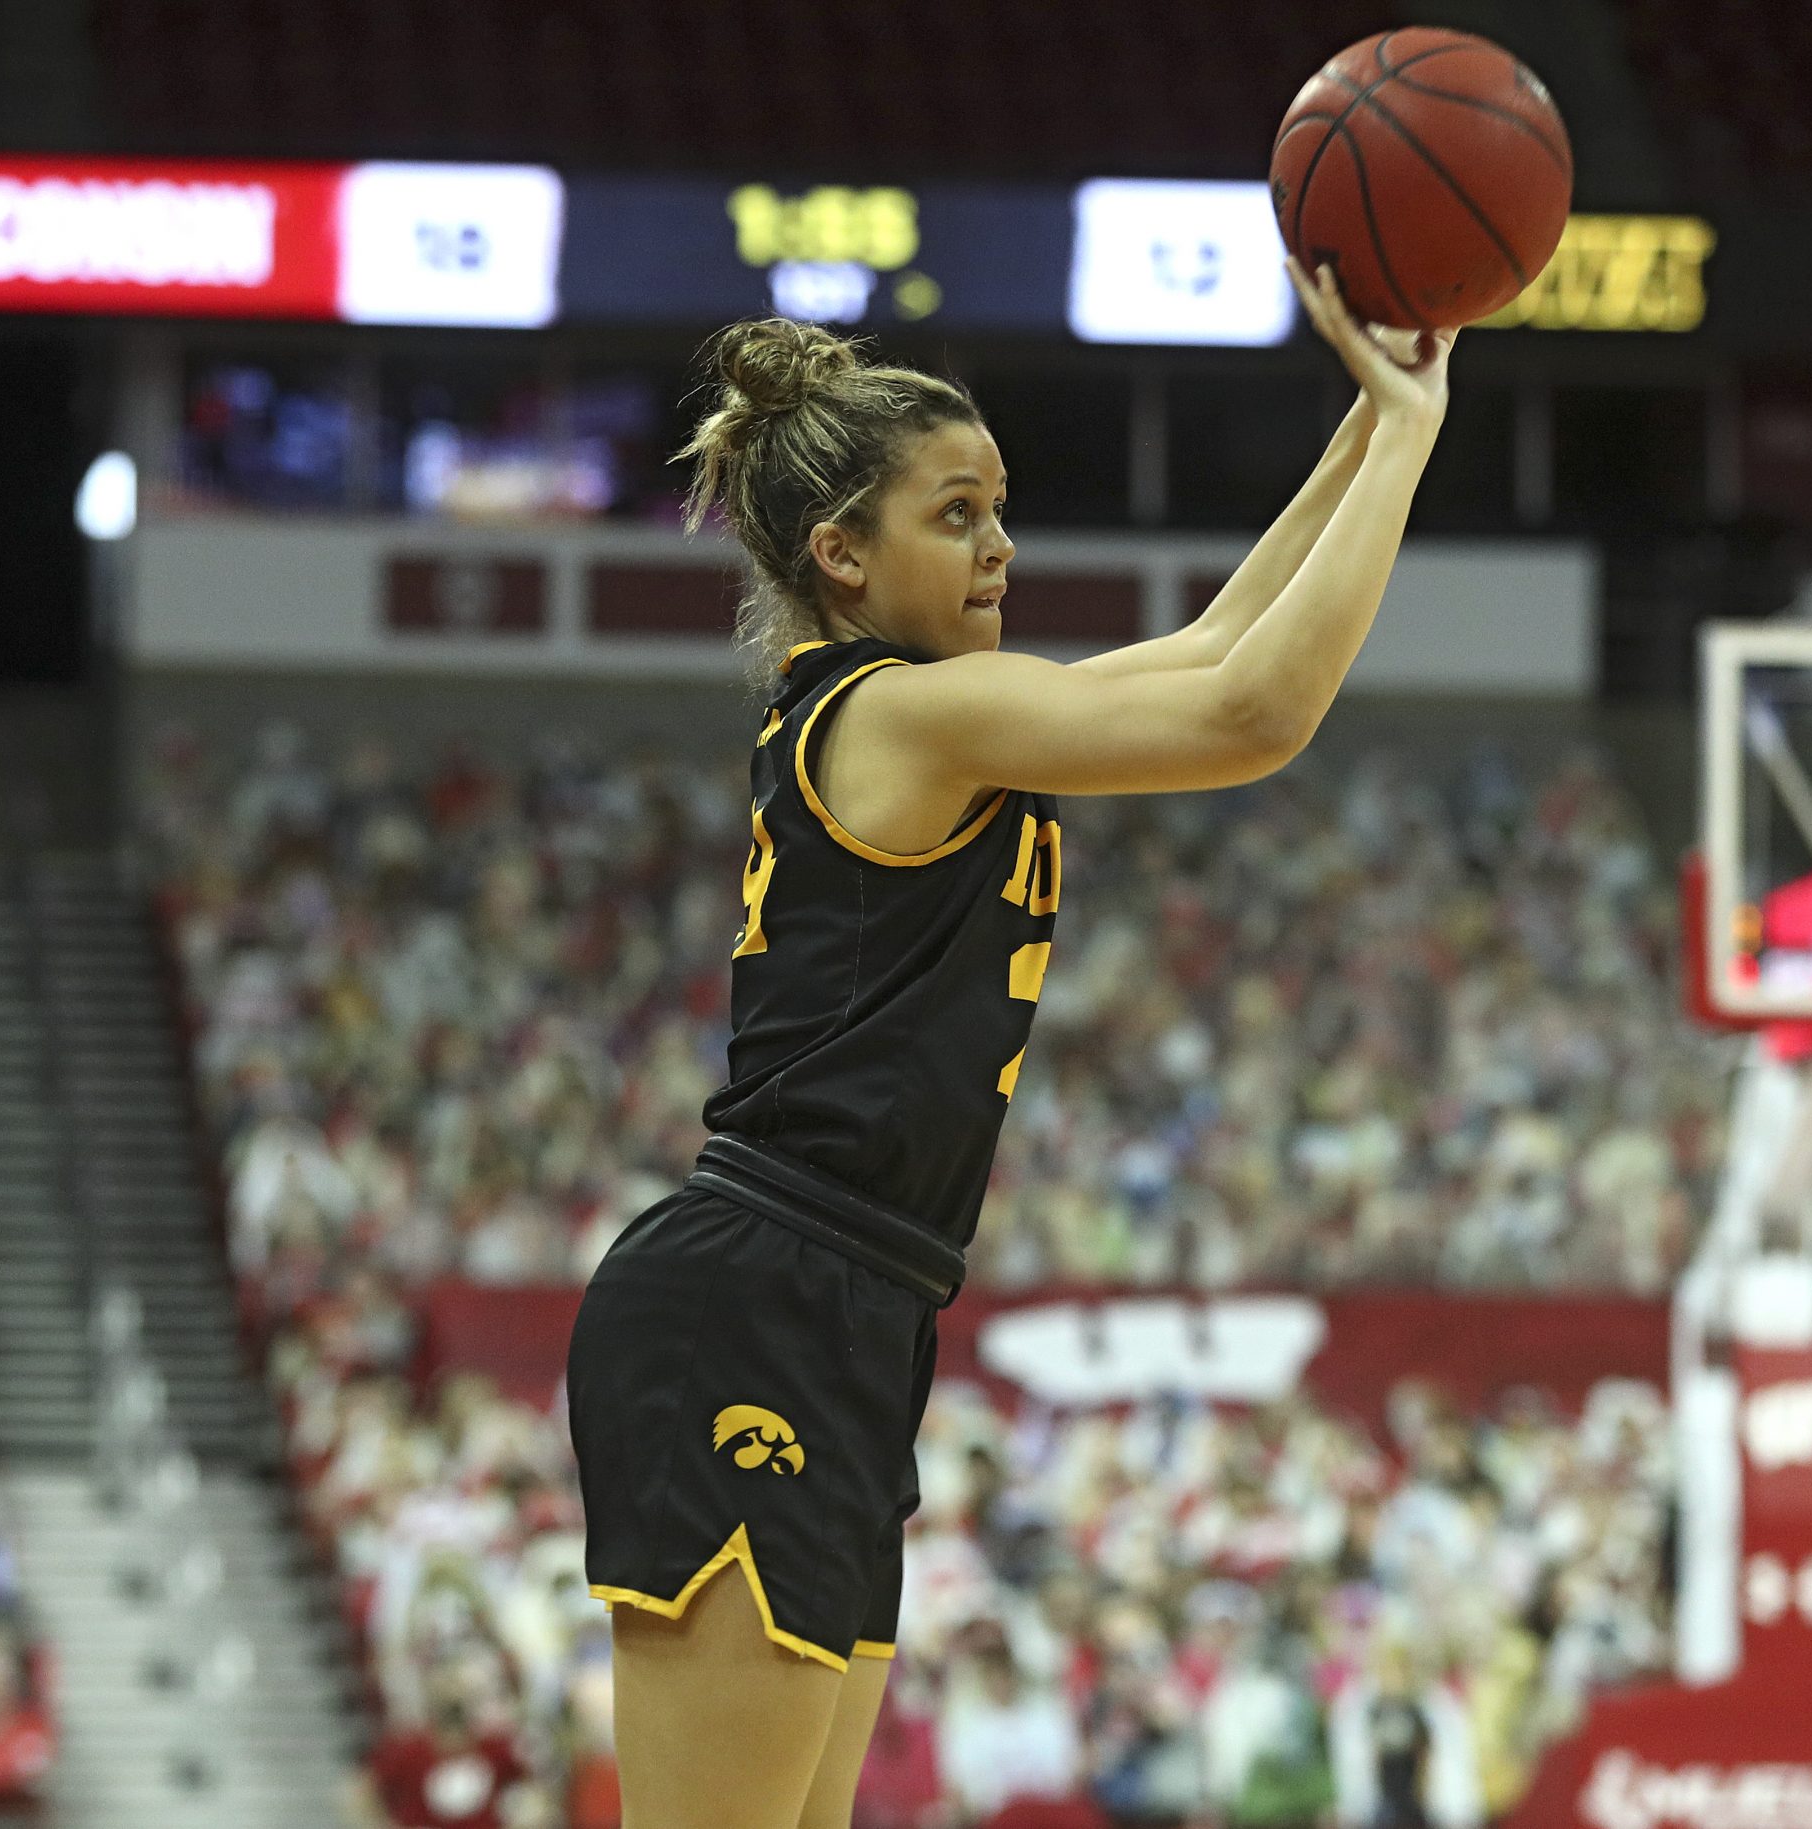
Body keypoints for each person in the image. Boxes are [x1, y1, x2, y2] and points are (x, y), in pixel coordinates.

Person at [564, 260, 1453, 1829]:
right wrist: (1405, 438)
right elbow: (1254, 714)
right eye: (955, 514)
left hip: (854, 1304)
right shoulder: (904, 715)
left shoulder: (951, 718)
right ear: (841, 556)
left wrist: (1374, 417)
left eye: (999, 507)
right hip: (755, 1294)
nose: (1001, 544)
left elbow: (1218, 639)